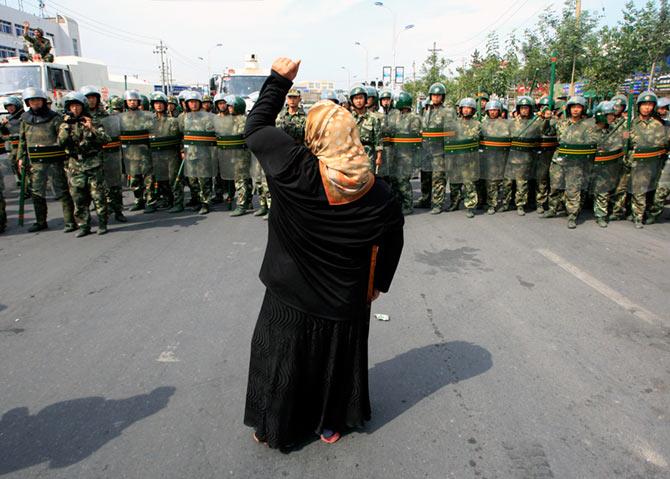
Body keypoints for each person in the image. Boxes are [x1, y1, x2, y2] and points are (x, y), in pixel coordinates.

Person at [243, 57, 403, 451]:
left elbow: (257, 128)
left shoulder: (294, 169)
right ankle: (330, 424)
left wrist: (279, 80)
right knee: (334, 362)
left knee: (283, 358)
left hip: (288, 292)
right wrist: (379, 282)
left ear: (313, 136)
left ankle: (274, 427)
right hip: (344, 298)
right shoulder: (379, 192)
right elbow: (393, 240)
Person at [18, 87, 76, 233]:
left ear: (43, 101)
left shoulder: (54, 118)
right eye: (32, 101)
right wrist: (20, 157)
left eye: (37, 100)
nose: (35, 103)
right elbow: (22, 141)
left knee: (62, 191)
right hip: (36, 162)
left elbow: (63, 137)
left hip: (54, 160)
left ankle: (70, 221)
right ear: (28, 103)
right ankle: (40, 221)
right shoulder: (25, 119)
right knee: (37, 192)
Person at [58, 92, 110, 237]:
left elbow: (106, 139)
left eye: (78, 106)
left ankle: (102, 223)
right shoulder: (65, 124)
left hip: (93, 163)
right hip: (75, 165)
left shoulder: (92, 121)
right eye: (72, 106)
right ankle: (84, 225)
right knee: (79, 197)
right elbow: (60, 143)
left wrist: (91, 128)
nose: (75, 109)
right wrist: (67, 127)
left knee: (98, 195)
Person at [542, 95, 598, 229]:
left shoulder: (588, 126)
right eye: (573, 107)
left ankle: (572, 215)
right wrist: (546, 119)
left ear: (583, 109)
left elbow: (593, 141)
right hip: (560, 159)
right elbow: (547, 131)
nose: (576, 110)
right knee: (555, 186)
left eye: (578, 107)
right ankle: (552, 209)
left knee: (573, 189)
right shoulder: (561, 123)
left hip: (576, 161)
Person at [81, 85, 127, 223]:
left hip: (109, 153)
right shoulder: (80, 117)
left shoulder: (106, 115)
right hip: (89, 156)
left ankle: (118, 210)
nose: (91, 101)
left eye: (94, 97)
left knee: (114, 184)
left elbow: (112, 132)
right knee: (94, 187)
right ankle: (98, 215)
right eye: (88, 98)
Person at [626, 91, 669, 228]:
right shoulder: (630, 124)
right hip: (637, 161)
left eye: (650, 105)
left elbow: (664, 143)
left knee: (652, 190)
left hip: (654, 162)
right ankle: (637, 216)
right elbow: (624, 141)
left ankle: (644, 212)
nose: (647, 108)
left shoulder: (658, 125)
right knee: (639, 189)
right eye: (644, 104)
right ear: (638, 106)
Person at [177, 90, 216, 215]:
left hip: (203, 152)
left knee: (204, 178)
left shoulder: (208, 117)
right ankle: (196, 199)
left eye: (195, 102)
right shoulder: (182, 118)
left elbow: (212, 135)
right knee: (192, 179)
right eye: (190, 102)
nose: (193, 104)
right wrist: (182, 150)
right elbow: (181, 135)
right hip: (190, 153)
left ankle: (206, 202)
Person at [119, 90, 156, 213]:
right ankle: (139, 200)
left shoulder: (147, 116)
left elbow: (153, 132)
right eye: (130, 100)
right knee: (134, 180)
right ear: (126, 102)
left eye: (134, 100)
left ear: (139, 102)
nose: (132, 102)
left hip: (145, 152)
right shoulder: (121, 118)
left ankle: (151, 202)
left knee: (148, 179)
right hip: (130, 154)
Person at [503, 96, 540, 215]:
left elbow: (542, 133)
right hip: (510, 157)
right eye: (522, 108)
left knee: (521, 183)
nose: (524, 110)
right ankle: (505, 203)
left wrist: (545, 119)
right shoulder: (512, 123)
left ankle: (520, 205)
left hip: (525, 158)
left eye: (526, 108)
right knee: (507, 183)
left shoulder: (534, 124)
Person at [421, 83, 454, 212]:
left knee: (438, 177)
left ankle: (437, 204)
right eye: (434, 95)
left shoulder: (448, 112)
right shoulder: (426, 110)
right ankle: (425, 199)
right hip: (426, 149)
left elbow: (451, 132)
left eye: (438, 95)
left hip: (440, 150)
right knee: (425, 176)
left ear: (442, 97)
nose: (435, 97)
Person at [591, 101, 624, 228]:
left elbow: (621, 143)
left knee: (602, 190)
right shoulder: (590, 130)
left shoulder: (615, 129)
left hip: (606, 164)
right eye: (608, 115)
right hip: (589, 164)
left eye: (613, 115)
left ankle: (601, 215)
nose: (612, 117)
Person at [445, 97, 480, 217]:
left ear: (473, 110)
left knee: (468, 183)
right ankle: (454, 202)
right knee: (454, 183)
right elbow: (448, 139)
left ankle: (470, 206)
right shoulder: (454, 124)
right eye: (464, 108)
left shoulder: (477, 124)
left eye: (469, 108)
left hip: (469, 160)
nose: (466, 110)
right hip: (455, 158)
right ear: (460, 109)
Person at [387, 91, 421, 215]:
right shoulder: (395, 116)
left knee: (403, 181)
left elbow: (415, 136)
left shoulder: (414, 118)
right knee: (394, 180)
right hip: (395, 153)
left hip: (407, 155)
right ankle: (398, 204)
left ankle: (408, 205)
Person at [148, 92, 182, 212]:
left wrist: (182, 151)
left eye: (161, 103)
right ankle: (167, 200)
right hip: (156, 154)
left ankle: (178, 203)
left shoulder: (173, 121)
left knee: (174, 178)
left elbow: (180, 137)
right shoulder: (149, 122)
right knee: (160, 179)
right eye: (156, 103)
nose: (158, 106)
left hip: (171, 153)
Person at [479, 99, 510, 214]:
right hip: (487, 157)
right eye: (490, 110)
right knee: (487, 182)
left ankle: (500, 204)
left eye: (495, 110)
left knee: (501, 182)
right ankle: (487, 203)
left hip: (502, 157)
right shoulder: (482, 124)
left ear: (499, 111)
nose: (492, 112)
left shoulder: (506, 124)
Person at [349, 85, 382, 172]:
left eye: (361, 98)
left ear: (365, 99)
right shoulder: (348, 118)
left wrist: (379, 158)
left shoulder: (374, 118)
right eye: (356, 98)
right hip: (352, 155)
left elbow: (378, 140)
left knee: (368, 181)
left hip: (368, 155)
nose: (358, 101)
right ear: (352, 101)